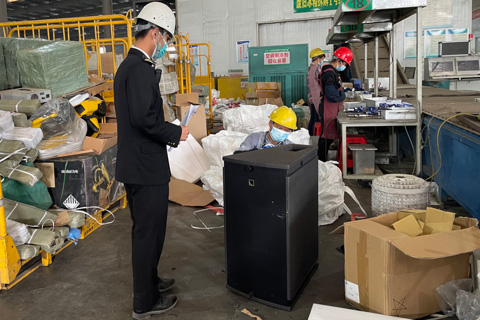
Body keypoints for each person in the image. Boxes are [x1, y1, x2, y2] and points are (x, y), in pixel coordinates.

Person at [113, 2, 189, 319]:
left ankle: (151, 283)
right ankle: (144, 302)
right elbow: (146, 120)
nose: (166, 45)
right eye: (167, 39)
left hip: (138, 165)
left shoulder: (130, 66)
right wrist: (177, 132)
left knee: (148, 232)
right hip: (145, 169)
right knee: (148, 235)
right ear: (154, 33)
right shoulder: (139, 69)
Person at [317, 47, 353, 162]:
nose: (345, 67)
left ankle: (322, 161)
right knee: (326, 136)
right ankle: (321, 162)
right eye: (345, 64)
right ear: (339, 61)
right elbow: (331, 94)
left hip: (330, 107)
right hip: (328, 108)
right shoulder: (329, 73)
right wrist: (343, 95)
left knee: (327, 136)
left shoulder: (332, 72)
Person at [307, 48, 326, 136]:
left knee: (313, 118)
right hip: (316, 97)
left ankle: (310, 135)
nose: (322, 61)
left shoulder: (310, 68)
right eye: (321, 59)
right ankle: (315, 137)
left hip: (311, 97)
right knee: (317, 119)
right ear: (318, 58)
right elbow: (322, 82)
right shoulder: (317, 69)